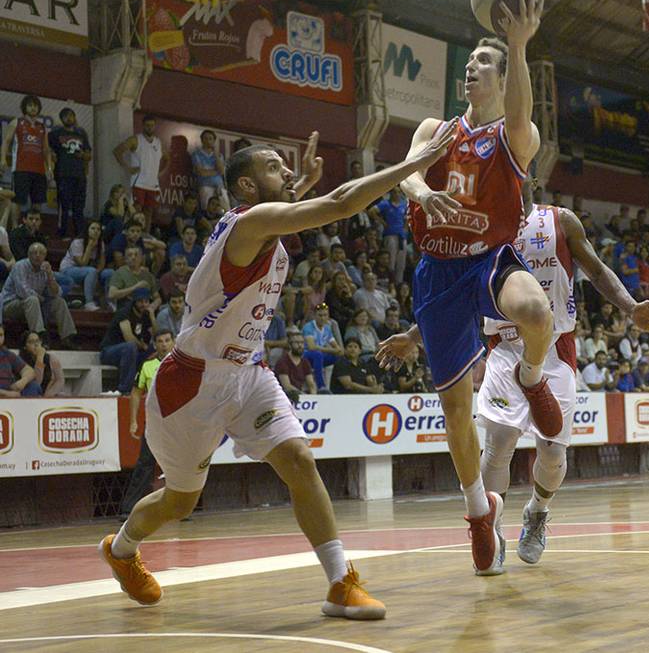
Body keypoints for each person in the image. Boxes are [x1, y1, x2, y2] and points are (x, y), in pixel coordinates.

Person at [97, 125, 453, 619]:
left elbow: (287, 217)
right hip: (191, 382)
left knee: (298, 460)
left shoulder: (255, 224)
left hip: (249, 373)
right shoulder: (249, 223)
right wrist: (412, 167)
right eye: (273, 167)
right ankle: (121, 550)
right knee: (179, 502)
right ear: (245, 187)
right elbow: (341, 203)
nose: (285, 170)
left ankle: (339, 583)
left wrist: (300, 184)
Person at [379, 192, 649, 571]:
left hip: (556, 347)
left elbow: (598, 270)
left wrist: (630, 306)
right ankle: (492, 527)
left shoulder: (561, 221)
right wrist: (413, 335)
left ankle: (537, 512)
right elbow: (453, 295)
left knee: (553, 452)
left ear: (527, 176)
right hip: (504, 348)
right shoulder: (479, 227)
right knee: (499, 441)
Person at [382, 0, 560, 577]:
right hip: (438, 270)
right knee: (457, 410)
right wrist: (421, 193)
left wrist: (517, 44)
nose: (471, 68)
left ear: (502, 79)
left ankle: (532, 378)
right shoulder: (438, 129)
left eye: (483, 62)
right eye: (470, 62)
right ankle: (478, 515)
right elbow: (405, 169)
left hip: (487, 260)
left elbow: (521, 108)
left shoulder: (517, 135)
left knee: (534, 310)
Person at [120, 329, 174, 516]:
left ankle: (181, 508)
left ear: (173, 342)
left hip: (177, 423)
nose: (164, 344)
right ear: (155, 344)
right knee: (144, 464)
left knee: (179, 465)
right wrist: (133, 420)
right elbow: (136, 392)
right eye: (160, 341)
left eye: (167, 340)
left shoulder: (183, 364)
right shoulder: (148, 365)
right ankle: (128, 509)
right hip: (155, 423)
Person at [0, 243, 77, 348]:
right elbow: (23, 292)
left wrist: (50, 276)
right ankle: (39, 337)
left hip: (33, 305)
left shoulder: (45, 269)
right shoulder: (20, 266)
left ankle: (68, 338)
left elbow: (57, 293)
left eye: (41, 253)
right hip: (10, 305)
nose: (37, 255)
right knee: (32, 299)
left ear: (45, 256)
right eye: (34, 253)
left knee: (59, 302)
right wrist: (42, 299)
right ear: (28, 255)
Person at [1, 94, 51, 215]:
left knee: (38, 202)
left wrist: (49, 167)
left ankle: (34, 231)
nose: (33, 108)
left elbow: (46, 149)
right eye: (30, 105)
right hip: (21, 168)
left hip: (39, 170)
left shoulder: (42, 127)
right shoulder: (16, 122)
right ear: (25, 107)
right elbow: (6, 141)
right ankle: (14, 229)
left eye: (35, 106)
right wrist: (2, 159)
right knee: (17, 200)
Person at [99, 287, 154, 394]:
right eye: (140, 301)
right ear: (134, 301)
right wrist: (143, 346)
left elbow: (157, 336)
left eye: (146, 301)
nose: (144, 304)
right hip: (110, 351)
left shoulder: (146, 314)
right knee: (130, 346)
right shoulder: (124, 312)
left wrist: (152, 317)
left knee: (156, 349)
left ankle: (147, 389)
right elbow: (128, 337)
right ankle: (125, 390)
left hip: (132, 353)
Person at [48, 106, 92, 238]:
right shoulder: (55, 133)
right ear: (61, 119)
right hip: (63, 174)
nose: (69, 118)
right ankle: (62, 233)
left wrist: (84, 155)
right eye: (66, 116)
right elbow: (47, 150)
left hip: (79, 175)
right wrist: (51, 156)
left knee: (79, 207)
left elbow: (89, 155)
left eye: (71, 115)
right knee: (64, 206)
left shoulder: (81, 133)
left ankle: (79, 234)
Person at [112, 115, 163, 213]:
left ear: (155, 126)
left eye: (152, 125)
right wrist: (128, 168)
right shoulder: (135, 140)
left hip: (153, 184)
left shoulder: (158, 142)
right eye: (147, 125)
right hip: (139, 182)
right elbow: (117, 151)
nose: (149, 127)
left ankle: (146, 229)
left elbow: (167, 158)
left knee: (149, 212)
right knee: (136, 210)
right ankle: (133, 228)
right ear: (143, 126)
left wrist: (161, 172)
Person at [59, 220, 104, 310]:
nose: (96, 231)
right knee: (91, 271)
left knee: (107, 272)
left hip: (85, 271)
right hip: (68, 269)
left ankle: (108, 302)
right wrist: (89, 247)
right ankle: (89, 302)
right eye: (93, 228)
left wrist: (97, 272)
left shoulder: (101, 243)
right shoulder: (77, 242)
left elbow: (102, 263)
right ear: (87, 230)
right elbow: (82, 263)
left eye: (98, 229)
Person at [371, 187, 408, 289]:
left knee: (401, 264)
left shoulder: (403, 204)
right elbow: (372, 211)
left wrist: (405, 227)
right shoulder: (385, 204)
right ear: (390, 193)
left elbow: (407, 216)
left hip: (401, 236)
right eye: (394, 192)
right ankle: (391, 284)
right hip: (390, 235)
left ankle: (399, 285)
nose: (397, 194)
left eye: (399, 192)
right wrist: (383, 222)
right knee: (390, 262)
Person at [303, 303, 344, 393]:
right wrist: (333, 350)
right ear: (314, 315)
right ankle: (321, 386)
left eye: (325, 315)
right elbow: (311, 347)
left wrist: (336, 350)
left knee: (339, 358)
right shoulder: (308, 327)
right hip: (306, 355)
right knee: (318, 354)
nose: (322, 318)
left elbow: (338, 349)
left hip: (319, 355)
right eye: (320, 315)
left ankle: (338, 386)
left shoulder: (327, 328)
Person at [275, 329, 317, 403]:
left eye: (302, 343)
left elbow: (311, 383)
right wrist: (304, 396)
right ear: (290, 345)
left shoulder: (305, 362)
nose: (300, 345)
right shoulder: (282, 362)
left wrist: (312, 397)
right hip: (285, 398)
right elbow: (287, 386)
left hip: (301, 397)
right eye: (297, 343)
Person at [191, 129, 227, 210]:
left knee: (226, 209)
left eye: (210, 139)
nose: (208, 141)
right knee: (207, 209)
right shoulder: (197, 154)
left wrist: (216, 155)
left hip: (219, 186)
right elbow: (201, 172)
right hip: (205, 185)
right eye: (205, 138)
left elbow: (221, 171)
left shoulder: (218, 155)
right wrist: (216, 171)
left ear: (214, 141)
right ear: (202, 140)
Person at [19, 330, 63, 397]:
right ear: (25, 346)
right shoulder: (20, 361)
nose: (36, 344)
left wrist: (48, 394)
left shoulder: (52, 358)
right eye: (31, 342)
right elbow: (37, 382)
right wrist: (40, 358)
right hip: (29, 393)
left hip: (47, 394)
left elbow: (60, 380)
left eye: (37, 341)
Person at [0, 327, 39, 397]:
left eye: (1, 335)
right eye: (31, 342)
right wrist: (6, 393)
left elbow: (30, 371)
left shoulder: (6, 353)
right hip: (5, 392)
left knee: (34, 386)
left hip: (10, 390)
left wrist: (23, 381)